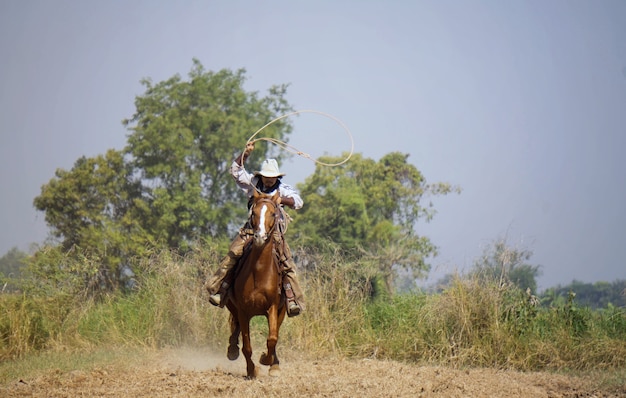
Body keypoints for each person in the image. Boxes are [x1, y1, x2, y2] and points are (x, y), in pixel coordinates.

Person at [205, 142, 304, 317]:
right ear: (261, 175)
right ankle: (220, 288)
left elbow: (298, 202)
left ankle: (292, 298)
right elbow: (235, 171)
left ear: (277, 177)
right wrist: (246, 153)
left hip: (275, 234)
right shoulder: (253, 183)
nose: (268, 179)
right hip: (250, 231)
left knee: (287, 262)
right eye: (266, 176)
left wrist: (282, 201)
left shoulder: (282, 189)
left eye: (272, 176)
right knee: (233, 254)